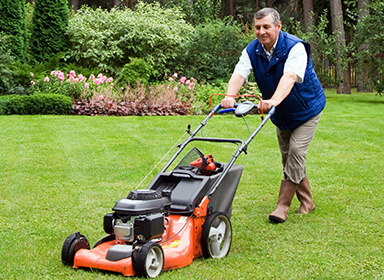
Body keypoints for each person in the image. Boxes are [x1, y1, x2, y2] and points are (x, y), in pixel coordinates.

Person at [221, 8, 326, 223]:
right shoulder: (252, 50)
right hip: (281, 112)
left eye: (266, 27)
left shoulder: (295, 47)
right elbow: (240, 73)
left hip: (306, 109)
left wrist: (273, 101)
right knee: (288, 157)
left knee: (296, 151)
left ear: (278, 27)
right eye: (257, 27)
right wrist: (230, 96)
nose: (261, 32)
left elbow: (289, 76)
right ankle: (307, 202)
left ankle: (282, 207)